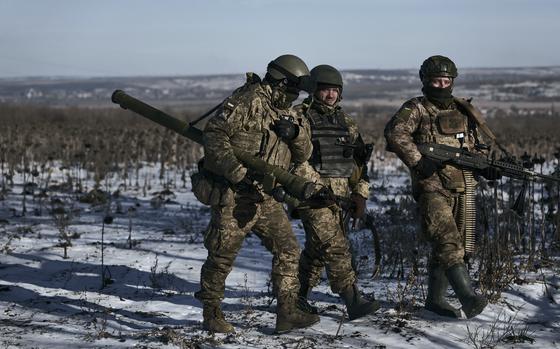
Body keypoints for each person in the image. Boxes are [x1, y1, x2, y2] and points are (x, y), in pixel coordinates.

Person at [194, 54, 320, 333]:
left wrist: (295, 134)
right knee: (222, 254)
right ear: (280, 81)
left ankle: (287, 311)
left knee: (288, 250)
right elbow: (214, 135)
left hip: (267, 196)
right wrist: (238, 173)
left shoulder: (289, 111)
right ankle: (211, 311)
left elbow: (305, 154)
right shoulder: (248, 100)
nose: (294, 96)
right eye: (292, 89)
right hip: (235, 194)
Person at [384, 55, 496, 319]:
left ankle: (435, 301)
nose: (441, 85)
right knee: (448, 242)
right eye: (436, 80)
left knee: (457, 248)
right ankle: (468, 298)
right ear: (425, 81)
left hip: (464, 185)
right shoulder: (417, 108)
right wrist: (418, 161)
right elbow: (395, 133)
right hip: (432, 186)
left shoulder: (463, 110)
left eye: (446, 80)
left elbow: (476, 146)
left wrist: (485, 167)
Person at [292, 64, 380, 320]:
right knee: (335, 246)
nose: (330, 95)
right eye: (325, 90)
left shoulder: (346, 121)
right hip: (312, 196)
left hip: (341, 199)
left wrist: (360, 194)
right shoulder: (299, 117)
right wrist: (317, 187)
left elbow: (359, 165)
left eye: (334, 90)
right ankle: (352, 299)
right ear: (313, 91)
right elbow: (296, 160)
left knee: (318, 250)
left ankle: (295, 296)